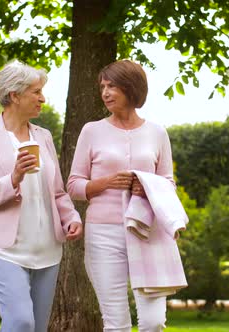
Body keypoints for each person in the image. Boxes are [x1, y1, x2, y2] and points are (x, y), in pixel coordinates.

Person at [0, 60, 83, 332]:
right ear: (14, 95)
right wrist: (13, 179)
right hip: (4, 250)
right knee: (20, 322)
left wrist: (71, 217)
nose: (42, 98)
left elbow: (57, 191)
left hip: (47, 250)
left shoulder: (43, 136)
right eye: (36, 91)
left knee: (37, 328)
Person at [68, 60, 183, 332]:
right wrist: (105, 183)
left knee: (154, 322)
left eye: (113, 86)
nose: (106, 93)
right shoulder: (92, 131)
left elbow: (168, 183)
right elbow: (74, 185)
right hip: (104, 234)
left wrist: (149, 187)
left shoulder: (157, 132)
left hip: (148, 231)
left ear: (131, 88)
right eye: (103, 87)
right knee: (116, 324)